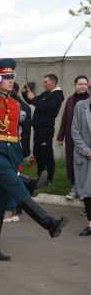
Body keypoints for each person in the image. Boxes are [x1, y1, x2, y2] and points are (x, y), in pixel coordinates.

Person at [0, 59, 68, 261]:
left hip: (11, 153)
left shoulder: (13, 103)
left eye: (12, 76)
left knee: (1, 202)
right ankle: (47, 222)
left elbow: (15, 134)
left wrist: (18, 160)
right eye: (5, 77)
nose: (10, 80)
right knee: (17, 188)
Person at [22, 74, 64, 185]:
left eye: (45, 82)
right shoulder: (47, 93)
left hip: (46, 129)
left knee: (47, 153)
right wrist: (25, 93)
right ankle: (40, 176)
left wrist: (34, 98)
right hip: (38, 129)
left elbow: (45, 108)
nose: (43, 84)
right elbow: (32, 101)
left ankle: (49, 178)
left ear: (53, 83)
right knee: (37, 152)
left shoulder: (57, 95)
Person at [57, 75, 90, 200]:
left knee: (86, 165)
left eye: (85, 84)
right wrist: (61, 136)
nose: (82, 86)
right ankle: (74, 188)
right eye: (80, 84)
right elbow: (65, 118)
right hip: (72, 138)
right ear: (75, 85)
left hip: (86, 140)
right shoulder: (70, 100)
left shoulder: (89, 100)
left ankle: (85, 191)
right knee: (72, 163)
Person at [71, 95, 91, 236]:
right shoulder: (80, 105)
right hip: (85, 155)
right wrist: (86, 150)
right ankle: (90, 225)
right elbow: (75, 130)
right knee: (88, 192)